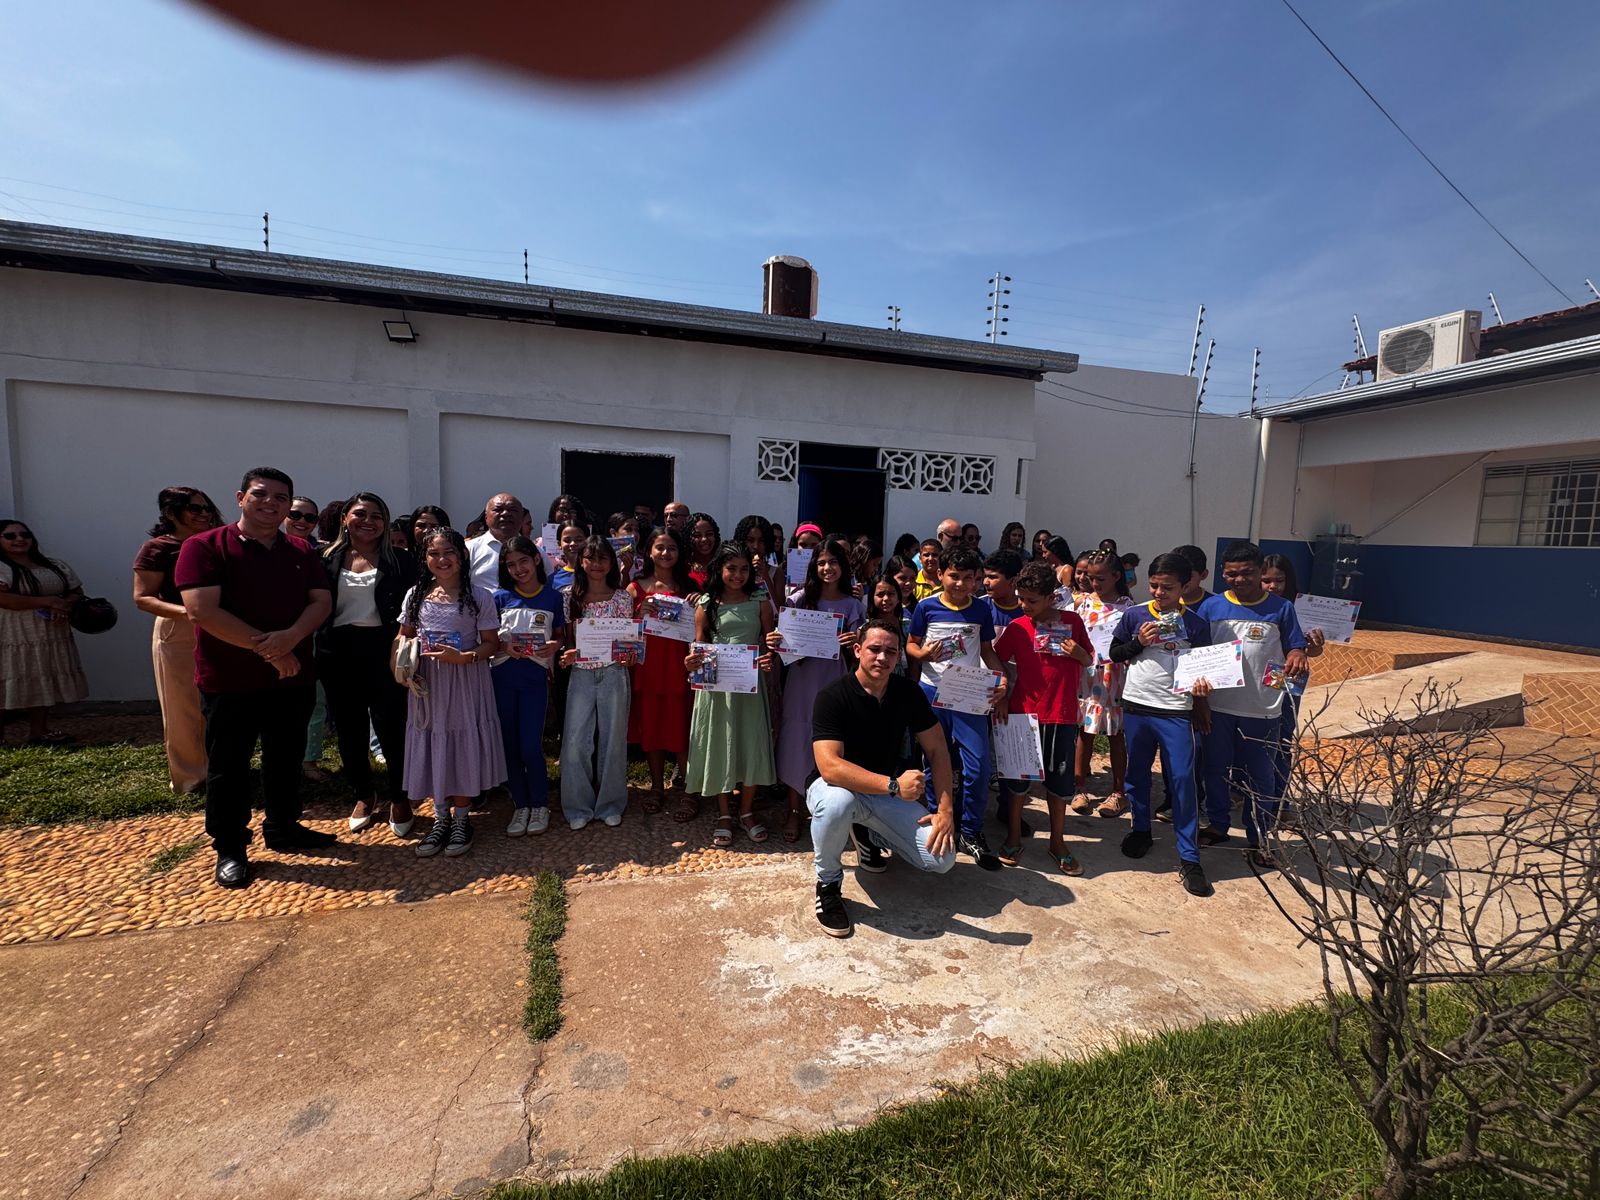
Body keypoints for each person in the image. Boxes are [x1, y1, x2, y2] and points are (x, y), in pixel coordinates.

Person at [175, 467, 335, 889]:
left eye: (281, 498)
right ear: (241, 497)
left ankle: (284, 828)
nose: (272, 503)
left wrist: (290, 640)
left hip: (293, 677)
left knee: (285, 758)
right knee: (229, 765)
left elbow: (320, 601)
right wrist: (270, 650)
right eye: (261, 494)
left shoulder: (301, 551)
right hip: (230, 680)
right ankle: (230, 847)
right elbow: (201, 611)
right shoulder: (204, 547)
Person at [806, 618, 959, 938]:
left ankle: (868, 834)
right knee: (838, 803)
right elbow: (829, 767)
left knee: (942, 860)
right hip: (838, 787)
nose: (882, 657)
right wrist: (893, 786)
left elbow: (937, 749)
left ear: (899, 657)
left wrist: (945, 809)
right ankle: (828, 883)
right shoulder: (831, 696)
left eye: (891, 651)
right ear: (857, 650)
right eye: (874, 649)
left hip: (882, 794)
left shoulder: (908, 692)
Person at [1109, 552, 1216, 897]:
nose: (1158, 592)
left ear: (1186, 586)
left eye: (1167, 587)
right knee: (1136, 774)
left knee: (1183, 779)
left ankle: (1188, 855)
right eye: (1154, 585)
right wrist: (1138, 642)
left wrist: (1202, 697)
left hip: (1176, 711)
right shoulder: (1134, 614)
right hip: (1138, 707)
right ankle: (1141, 828)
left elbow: (1205, 668)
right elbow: (1115, 653)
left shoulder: (1197, 624)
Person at [1196, 541, 1309, 866]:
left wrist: (1298, 653)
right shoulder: (1211, 608)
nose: (1239, 579)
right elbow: (1195, 656)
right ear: (1222, 574)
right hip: (1217, 708)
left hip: (1263, 709)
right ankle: (1217, 825)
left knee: (1261, 777)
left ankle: (1259, 836)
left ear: (1260, 572)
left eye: (1246, 573)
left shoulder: (1281, 608)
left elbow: (1295, 647)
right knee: (1215, 771)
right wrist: (1199, 702)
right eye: (1231, 574)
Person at [401, 527, 506, 858]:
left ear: (462, 555)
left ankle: (462, 818)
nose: (441, 559)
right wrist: (404, 661)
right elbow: (403, 636)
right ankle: (439, 817)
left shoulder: (479, 597)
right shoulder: (415, 596)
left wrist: (463, 657)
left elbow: (492, 643)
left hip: (466, 681)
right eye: (433, 553)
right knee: (434, 741)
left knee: (461, 742)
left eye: (448, 552)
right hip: (428, 684)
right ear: (425, 558)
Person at [316, 492, 417, 836]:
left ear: (386, 523)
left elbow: (415, 607)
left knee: (392, 726)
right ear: (345, 518)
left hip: (384, 650)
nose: (368, 521)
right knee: (349, 729)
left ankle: (400, 796)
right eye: (360, 514)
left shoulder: (402, 560)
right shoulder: (326, 558)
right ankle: (363, 793)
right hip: (338, 651)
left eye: (377, 515)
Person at [906, 545, 1008, 869]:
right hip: (932, 693)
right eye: (954, 576)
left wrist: (1002, 679)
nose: (960, 584)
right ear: (940, 574)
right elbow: (910, 644)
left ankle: (970, 831)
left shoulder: (981, 610)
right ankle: (938, 818)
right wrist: (923, 655)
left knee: (977, 766)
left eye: (968, 578)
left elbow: (987, 650)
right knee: (934, 761)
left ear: (977, 580)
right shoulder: (926, 607)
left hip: (969, 694)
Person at [991, 561, 1092, 873]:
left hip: (1061, 715)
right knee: (1017, 781)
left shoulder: (1073, 622)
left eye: (1032, 600)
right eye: (1021, 598)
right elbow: (996, 657)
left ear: (1052, 597)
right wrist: (1004, 691)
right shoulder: (1018, 627)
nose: (1024, 605)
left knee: (1059, 783)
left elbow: (1089, 658)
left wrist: (1077, 653)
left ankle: (1057, 841)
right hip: (1023, 715)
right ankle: (1013, 836)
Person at [769, 537, 865, 844]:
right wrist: (776, 642)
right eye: (821, 562)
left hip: (835, 684)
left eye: (833, 562)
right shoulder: (798, 600)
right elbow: (784, 643)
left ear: (843, 566)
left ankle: (826, 811)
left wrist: (854, 645)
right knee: (797, 741)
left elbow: (862, 657)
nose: (827, 568)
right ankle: (794, 810)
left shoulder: (853, 605)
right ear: (814, 567)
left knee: (832, 744)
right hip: (801, 681)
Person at [684, 541, 776, 847]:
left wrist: (767, 658)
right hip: (716, 689)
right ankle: (724, 813)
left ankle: (747, 811)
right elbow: (699, 646)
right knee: (720, 745)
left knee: (750, 744)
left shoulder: (760, 600)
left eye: (744, 569)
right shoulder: (706, 603)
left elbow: (769, 643)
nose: (738, 575)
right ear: (719, 570)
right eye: (731, 568)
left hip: (749, 687)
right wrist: (691, 662)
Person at [132, 487, 220, 791]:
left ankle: (220, 767)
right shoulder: (158, 548)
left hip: (221, 625)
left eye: (206, 508)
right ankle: (191, 777)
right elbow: (143, 598)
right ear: (171, 513)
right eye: (194, 509)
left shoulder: (216, 542)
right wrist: (190, 612)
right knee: (183, 706)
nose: (204, 514)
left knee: (219, 704)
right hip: (178, 628)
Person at [557, 536, 637, 830]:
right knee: (576, 740)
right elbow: (569, 638)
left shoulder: (622, 598)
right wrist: (567, 654)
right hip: (581, 673)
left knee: (613, 739)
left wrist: (630, 656)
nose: (597, 564)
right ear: (581, 561)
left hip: (614, 672)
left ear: (612, 562)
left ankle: (610, 804)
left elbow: (628, 640)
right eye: (590, 558)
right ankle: (577, 806)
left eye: (603, 558)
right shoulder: (570, 596)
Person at [491, 536, 564, 836]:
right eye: (511, 565)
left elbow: (560, 635)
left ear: (536, 560)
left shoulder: (552, 597)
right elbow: (489, 638)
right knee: (508, 744)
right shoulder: (499, 598)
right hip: (502, 677)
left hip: (535, 680)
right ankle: (520, 805)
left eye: (523, 561)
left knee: (530, 745)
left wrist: (554, 646)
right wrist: (503, 646)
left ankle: (540, 803)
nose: (518, 569)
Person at [0, 519, 89, 744]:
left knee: (42, 676)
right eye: (10, 536)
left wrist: (65, 604)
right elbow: (3, 598)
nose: (19, 539)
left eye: (24, 534)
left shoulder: (54, 565)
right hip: (13, 632)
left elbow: (76, 590)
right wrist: (48, 601)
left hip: (49, 632)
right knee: (7, 675)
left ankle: (39, 731)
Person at [628, 527, 694, 818]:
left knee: (682, 729)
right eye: (660, 547)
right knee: (652, 729)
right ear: (649, 552)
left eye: (672, 548)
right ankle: (656, 786)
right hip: (650, 666)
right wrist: (639, 617)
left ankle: (687, 788)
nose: (666, 553)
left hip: (681, 664)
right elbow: (624, 632)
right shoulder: (634, 588)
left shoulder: (690, 587)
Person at [1070, 548, 1133, 816]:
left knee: (1116, 735)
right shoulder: (1081, 603)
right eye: (1089, 577)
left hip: (1115, 678)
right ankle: (1079, 787)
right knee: (1085, 732)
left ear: (1117, 576)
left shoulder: (1129, 609)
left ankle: (1119, 792)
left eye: (1100, 579)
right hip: (1086, 676)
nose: (1093, 583)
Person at [1261, 553, 1324, 803]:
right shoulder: (1253, 608)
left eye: (1279, 580)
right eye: (1266, 580)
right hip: (1254, 680)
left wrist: (1316, 645)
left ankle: (1278, 798)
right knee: (1249, 736)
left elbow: (1314, 651)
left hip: (1285, 678)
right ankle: (1241, 790)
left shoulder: (1301, 609)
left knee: (1281, 737)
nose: (1273, 586)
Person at [467, 493, 527, 590]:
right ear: (486, 518)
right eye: (498, 510)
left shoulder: (536, 552)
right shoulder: (469, 549)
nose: (505, 513)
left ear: (522, 517)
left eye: (512, 510)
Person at [981, 549, 1024, 629]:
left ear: (1014, 580)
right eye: (985, 576)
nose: (985, 582)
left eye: (992, 577)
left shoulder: (1028, 609)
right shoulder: (979, 607)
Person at [686, 512, 720, 587]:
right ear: (688, 538)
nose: (704, 539)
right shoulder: (683, 566)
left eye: (709, 534)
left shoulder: (723, 564)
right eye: (697, 535)